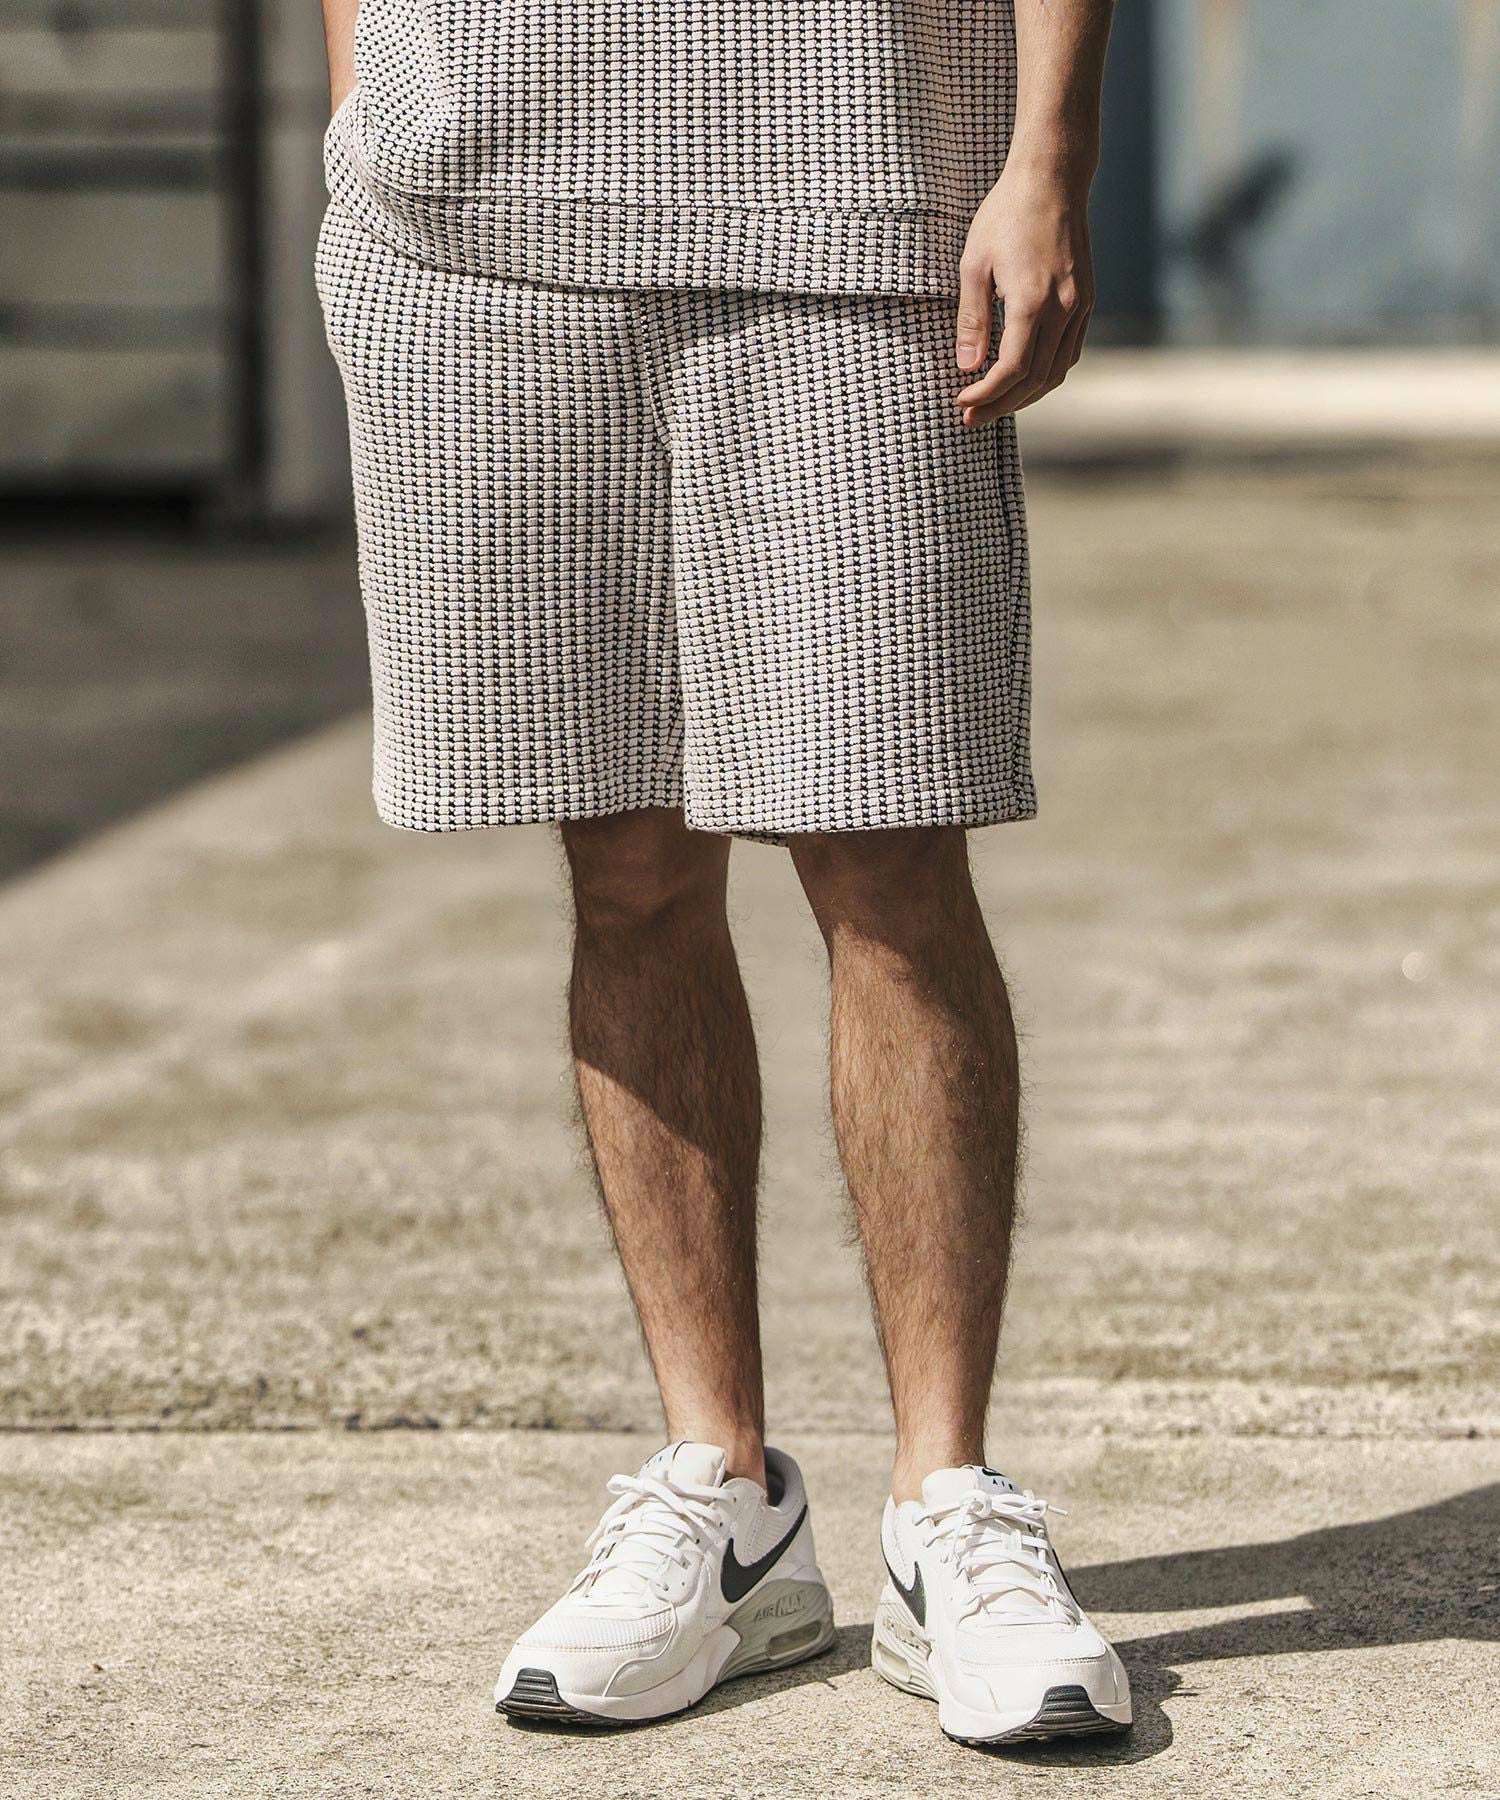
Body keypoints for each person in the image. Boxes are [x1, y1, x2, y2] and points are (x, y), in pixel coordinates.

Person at [316, 0, 1130, 1747]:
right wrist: (366, 109)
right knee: (624, 860)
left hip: (862, 199)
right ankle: (723, 1493)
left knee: (888, 852)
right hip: (479, 228)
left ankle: (946, 1504)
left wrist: (1046, 153)